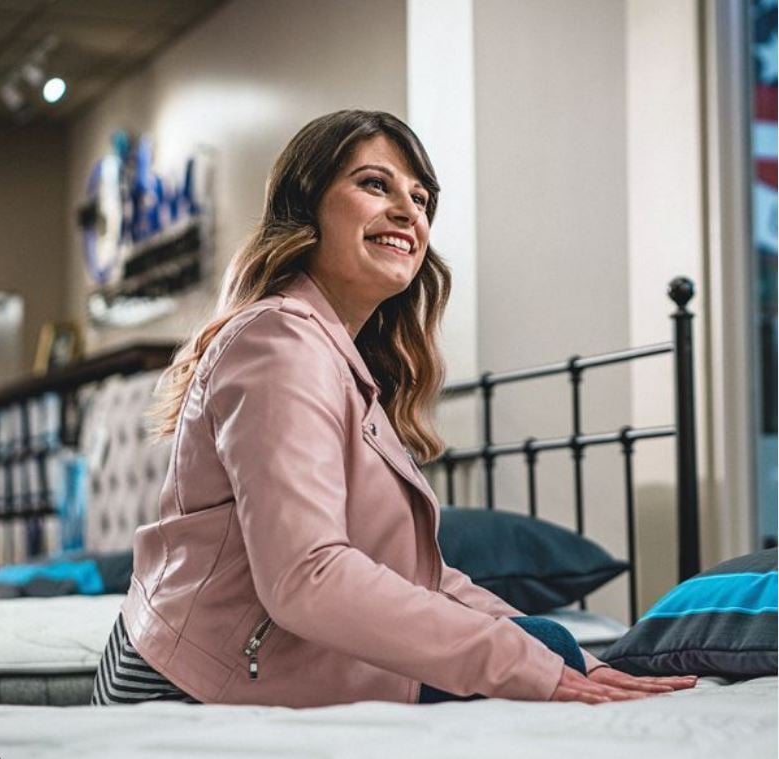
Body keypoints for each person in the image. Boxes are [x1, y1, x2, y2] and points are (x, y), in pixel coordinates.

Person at [92, 110, 697, 707]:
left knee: (542, 644)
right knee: (527, 660)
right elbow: (306, 578)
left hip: (255, 660)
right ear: (307, 208)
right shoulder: (279, 343)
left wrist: (572, 660)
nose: (410, 211)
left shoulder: (337, 358)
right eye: (374, 184)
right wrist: (526, 662)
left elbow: (423, 582)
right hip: (194, 680)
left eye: (422, 197)